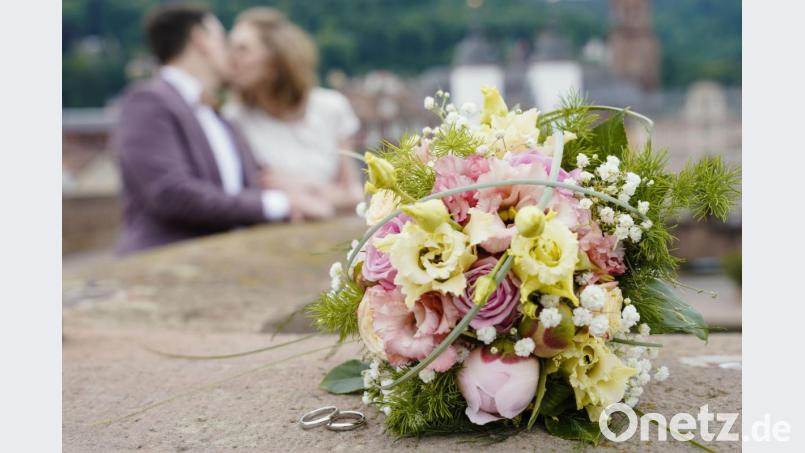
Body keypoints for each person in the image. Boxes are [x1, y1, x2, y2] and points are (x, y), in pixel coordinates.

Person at [113, 5, 332, 254]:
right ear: (200, 39)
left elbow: (248, 186)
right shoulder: (148, 100)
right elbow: (170, 193)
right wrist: (280, 203)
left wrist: (299, 189)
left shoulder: (220, 117)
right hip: (163, 264)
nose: (230, 54)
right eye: (223, 40)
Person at [224, 7, 363, 212]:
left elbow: (355, 195)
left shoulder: (332, 108)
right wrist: (326, 195)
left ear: (275, 60)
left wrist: (304, 187)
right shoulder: (234, 119)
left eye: (243, 49)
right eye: (229, 48)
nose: (230, 59)